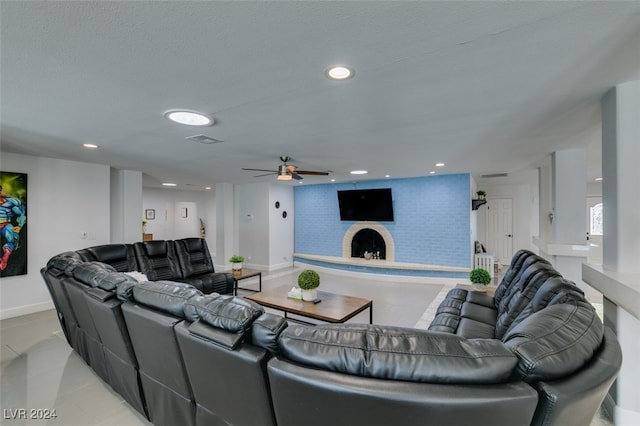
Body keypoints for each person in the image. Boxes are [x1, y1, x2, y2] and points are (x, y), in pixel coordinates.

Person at [0, 185, 26, 271]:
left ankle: (5, 257)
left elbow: (22, 214)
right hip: (5, 225)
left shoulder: (10, 202)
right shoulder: (10, 202)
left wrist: (19, 226)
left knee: (14, 239)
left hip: (5, 224)